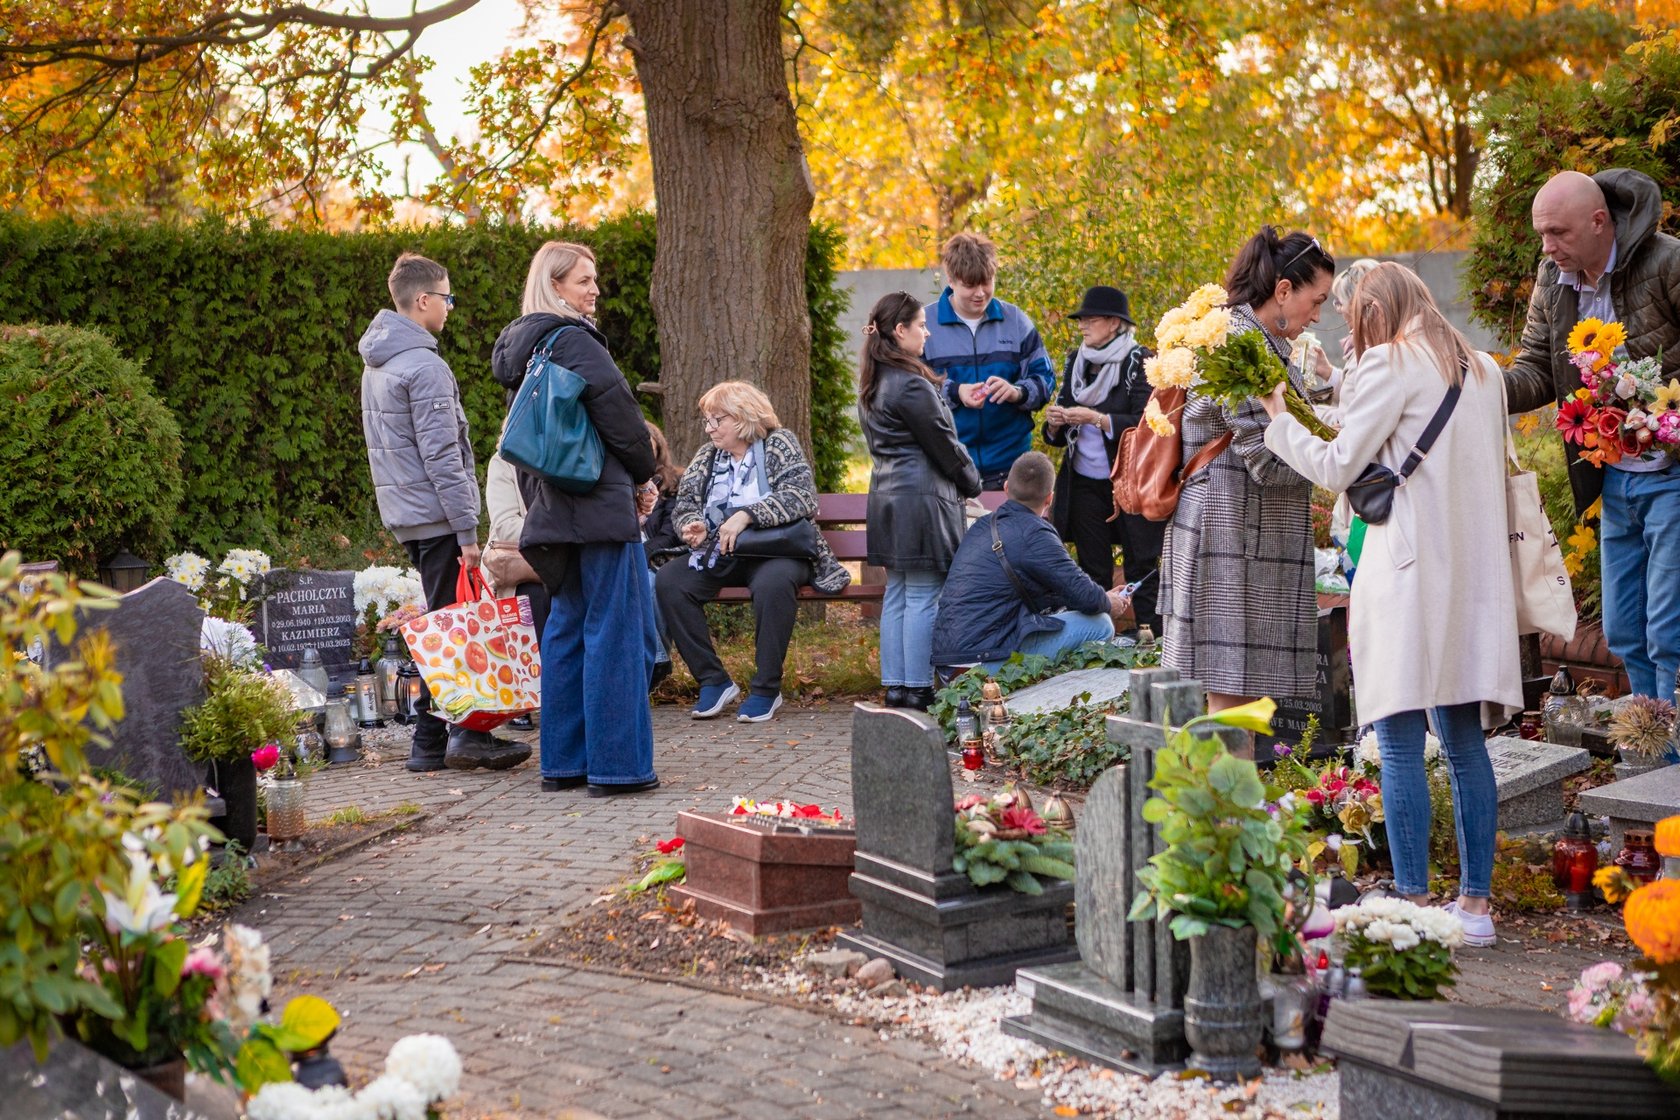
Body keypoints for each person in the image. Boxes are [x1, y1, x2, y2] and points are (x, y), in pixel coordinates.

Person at [1259, 262, 1522, 945]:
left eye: (1354, 319)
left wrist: (1279, 419)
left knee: (1400, 741)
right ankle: (1475, 908)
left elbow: (1336, 466)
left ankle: (1411, 902)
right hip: (1472, 577)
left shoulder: (1389, 362)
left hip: (1406, 573)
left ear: (1374, 311)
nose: (1353, 332)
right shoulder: (1482, 369)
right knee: (1464, 742)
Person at [490, 240, 661, 796]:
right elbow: (624, 421)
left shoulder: (524, 350)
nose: (595, 290)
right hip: (598, 505)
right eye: (583, 280)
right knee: (614, 632)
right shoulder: (574, 341)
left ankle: (563, 765)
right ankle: (618, 769)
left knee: (566, 629)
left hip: (552, 509)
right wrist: (644, 476)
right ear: (555, 285)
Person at [1506, 168, 1680, 710]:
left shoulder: (1668, 261)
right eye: (1542, 233)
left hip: (1671, 474)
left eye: (1558, 232)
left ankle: (1670, 749)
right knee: (1624, 631)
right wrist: (1473, 385)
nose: (1547, 246)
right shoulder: (1553, 278)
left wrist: (1663, 412)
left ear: (1599, 221)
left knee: (1668, 632)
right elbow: (1537, 369)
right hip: (1610, 481)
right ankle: (1652, 743)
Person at [1160, 227, 1335, 749]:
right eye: (1316, 300)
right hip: (1231, 534)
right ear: (1282, 290)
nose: (1317, 315)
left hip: (1238, 531)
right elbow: (1264, 457)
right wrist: (1337, 466)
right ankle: (1220, 800)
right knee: (1229, 698)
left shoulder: (1248, 337)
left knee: (1232, 697)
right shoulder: (1239, 343)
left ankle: (1212, 797)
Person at [360, 252, 531, 774]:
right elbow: (442, 457)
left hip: (408, 515)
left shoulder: (379, 363)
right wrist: (467, 531)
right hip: (437, 518)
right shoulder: (424, 366)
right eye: (447, 297)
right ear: (423, 300)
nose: (450, 307)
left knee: (443, 622)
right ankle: (460, 739)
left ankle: (433, 745)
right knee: (455, 629)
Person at [656, 381, 850, 722]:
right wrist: (693, 525)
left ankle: (766, 688)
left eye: (718, 419)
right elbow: (685, 505)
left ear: (743, 416)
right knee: (671, 580)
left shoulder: (779, 443)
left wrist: (746, 515)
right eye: (707, 420)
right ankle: (713, 681)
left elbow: (801, 497)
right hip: (723, 551)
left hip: (779, 551)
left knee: (773, 583)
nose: (709, 428)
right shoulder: (707, 456)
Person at [859, 291, 982, 710]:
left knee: (898, 593)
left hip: (887, 499)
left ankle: (896, 686)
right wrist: (972, 482)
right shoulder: (910, 383)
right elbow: (943, 444)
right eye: (921, 325)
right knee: (923, 595)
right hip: (921, 502)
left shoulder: (874, 380)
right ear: (900, 330)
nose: (927, 333)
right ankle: (917, 688)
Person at [932, 452, 1126, 673]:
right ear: (1050, 499)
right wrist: (1109, 602)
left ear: (1006, 487)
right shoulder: (1035, 533)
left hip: (948, 660)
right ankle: (1064, 690)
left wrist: (1101, 598)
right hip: (983, 662)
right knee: (1100, 625)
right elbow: (1085, 594)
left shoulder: (982, 525)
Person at [1042, 284, 1163, 633]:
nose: (1082, 326)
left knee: (1141, 562)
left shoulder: (1139, 361)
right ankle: (1097, 638)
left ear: (1113, 323)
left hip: (1129, 482)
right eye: (1081, 320)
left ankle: (1150, 637)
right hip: (1083, 483)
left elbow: (1146, 423)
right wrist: (1056, 423)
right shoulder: (1076, 361)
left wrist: (1097, 419)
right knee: (1091, 566)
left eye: (1090, 319)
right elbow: (1057, 429)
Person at [923, 232, 1056, 489]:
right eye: (970, 285)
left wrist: (1017, 392)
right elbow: (912, 389)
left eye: (986, 282)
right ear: (951, 280)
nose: (980, 293)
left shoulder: (1016, 321)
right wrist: (955, 391)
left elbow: (1045, 379)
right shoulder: (925, 325)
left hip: (1011, 466)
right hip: (948, 467)